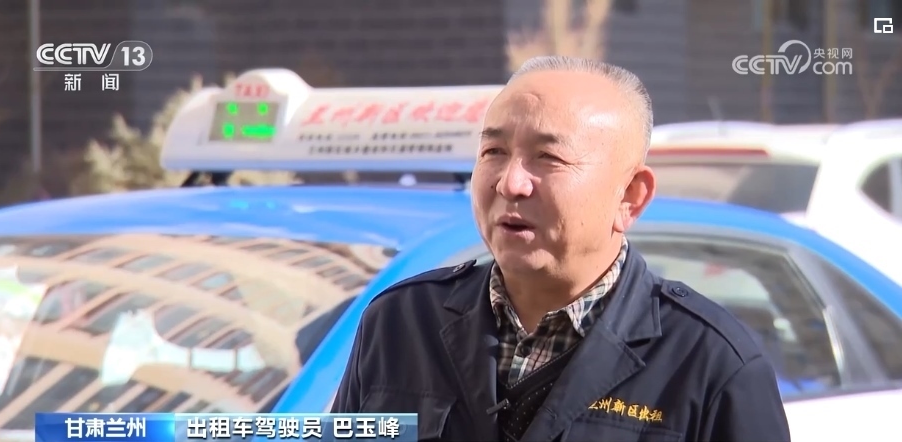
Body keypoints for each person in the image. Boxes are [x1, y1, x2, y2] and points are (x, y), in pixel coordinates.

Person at [331, 56, 791, 442]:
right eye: (493, 152)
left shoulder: (709, 362)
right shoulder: (400, 323)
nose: (510, 183)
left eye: (548, 157)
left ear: (630, 197)